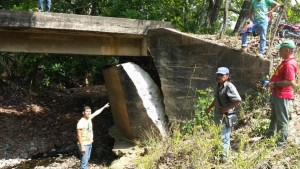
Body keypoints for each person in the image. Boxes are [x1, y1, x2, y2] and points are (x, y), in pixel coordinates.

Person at [205, 67, 242, 162]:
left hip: (226, 115)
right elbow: (216, 99)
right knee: (220, 134)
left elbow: (238, 100)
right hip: (218, 115)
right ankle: (224, 152)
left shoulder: (229, 86)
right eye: (217, 75)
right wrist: (210, 107)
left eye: (221, 75)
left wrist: (226, 109)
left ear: (227, 76)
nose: (219, 77)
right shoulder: (218, 86)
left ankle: (224, 158)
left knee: (224, 135)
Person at [266, 40, 298, 146]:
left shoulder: (289, 64)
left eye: (280, 50)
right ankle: (269, 138)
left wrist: (274, 84)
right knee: (274, 118)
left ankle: (281, 143)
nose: (279, 52)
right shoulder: (285, 62)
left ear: (287, 50)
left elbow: (289, 82)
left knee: (282, 120)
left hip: (282, 95)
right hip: (277, 94)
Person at [77, 103, 110, 169]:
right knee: (84, 163)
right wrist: (82, 146)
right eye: (87, 111)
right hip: (84, 144)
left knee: (86, 160)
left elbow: (96, 113)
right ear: (83, 112)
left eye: (89, 111)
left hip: (89, 143)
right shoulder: (81, 122)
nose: (89, 113)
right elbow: (78, 135)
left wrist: (104, 107)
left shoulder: (89, 118)